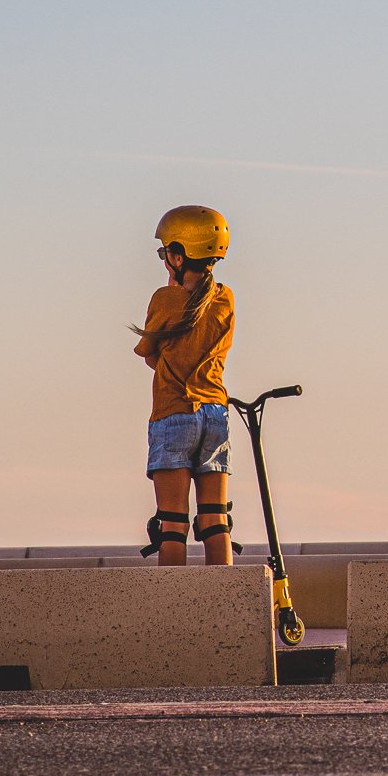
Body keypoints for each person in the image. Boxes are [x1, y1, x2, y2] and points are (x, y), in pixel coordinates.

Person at [132, 205, 236, 566]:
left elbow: (149, 355)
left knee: (172, 523)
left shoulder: (165, 299)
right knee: (215, 520)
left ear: (178, 255)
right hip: (215, 414)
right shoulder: (225, 298)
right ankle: (230, 606)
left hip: (175, 413)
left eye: (165, 253)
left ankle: (172, 616)